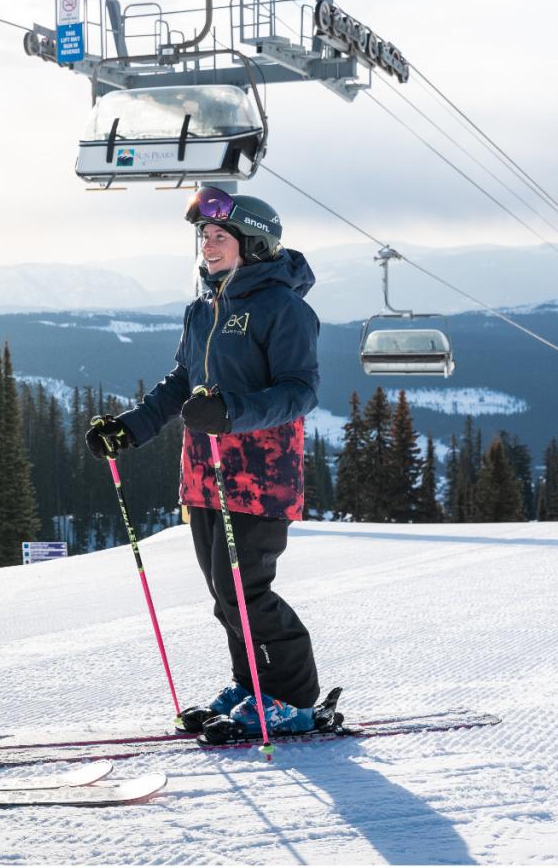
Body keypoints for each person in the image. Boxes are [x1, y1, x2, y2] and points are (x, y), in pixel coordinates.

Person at [85, 186, 322, 737]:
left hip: (260, 476)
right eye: (205, 236)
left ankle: (295, 697)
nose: (208, 245)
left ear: (255, 244)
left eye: (221, 237)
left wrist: (232, 412)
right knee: (224, 594)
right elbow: (179, 386)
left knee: (248, 592)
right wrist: (130, 429)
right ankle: (251, 683)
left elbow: (300, 392)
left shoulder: (283, 308)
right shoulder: (203, 309)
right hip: (205, 475)